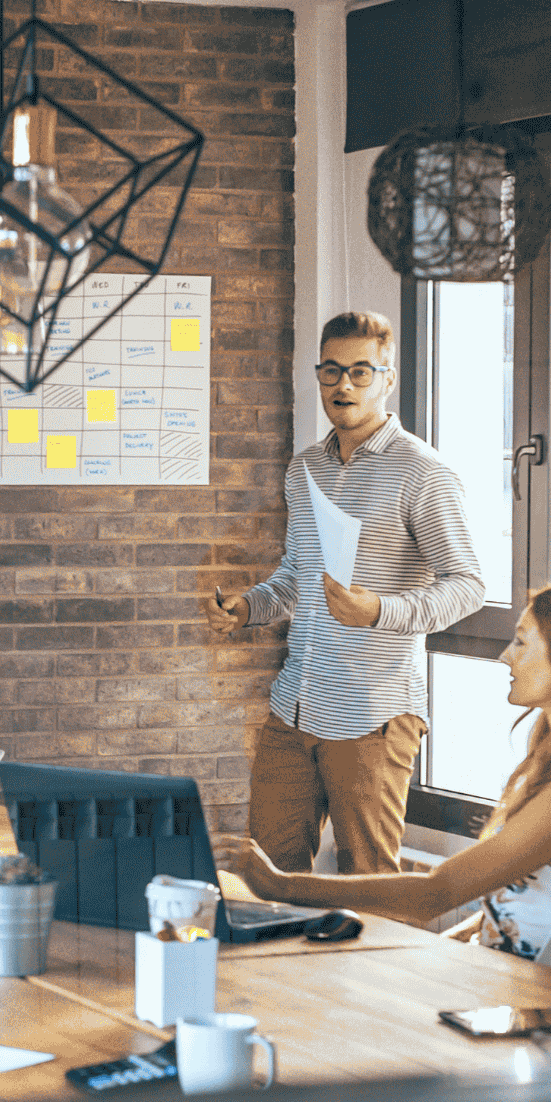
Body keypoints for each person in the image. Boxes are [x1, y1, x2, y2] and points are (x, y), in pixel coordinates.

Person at [219, 585, 551, 954]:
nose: (505, 657)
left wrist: (280, 885)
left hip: (520, 999)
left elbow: (436, 893)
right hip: (502, 985)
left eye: (521, 642)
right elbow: (514, 908)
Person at [203, 310, 484, 877]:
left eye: (360, 371)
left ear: (387, 379)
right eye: (331, 371)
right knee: (266, 876)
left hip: (372, 716)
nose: (344, 385)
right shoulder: (304, 468)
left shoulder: (423, 472)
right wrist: (248, 608)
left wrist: (379, 611)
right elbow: (296, 576)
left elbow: (468, 585)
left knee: (370, 882)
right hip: (295, 706)